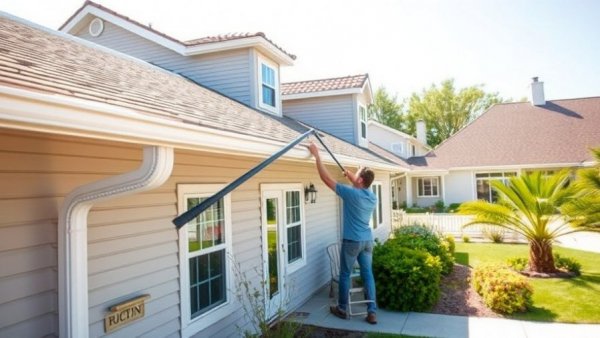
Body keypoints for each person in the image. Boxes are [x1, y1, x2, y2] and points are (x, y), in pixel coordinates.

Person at [308, 141, 378, 325]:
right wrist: (352, 178)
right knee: (367, 274)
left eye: (357, 173)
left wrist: (317, 156)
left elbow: (326, 180)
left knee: (345, 274)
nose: (354, 175)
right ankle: (372, 312)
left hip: (352, 241)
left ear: (361, 180)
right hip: (367, 241)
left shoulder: (351, 194)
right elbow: (358, 185)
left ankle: (342, 308)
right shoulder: (372, 196)